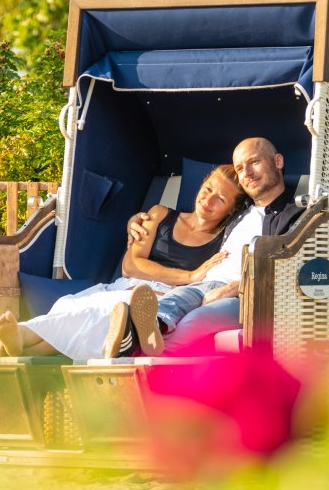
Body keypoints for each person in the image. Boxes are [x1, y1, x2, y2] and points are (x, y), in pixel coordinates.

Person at [0, 165, 247, 362]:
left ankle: (25, 337)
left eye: (221, 199)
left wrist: (183, 281)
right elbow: (131, 265)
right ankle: (24, 340)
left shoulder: (224, 241)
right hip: (129, 284)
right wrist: (190, 275)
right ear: (202, 184)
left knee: (109, 315)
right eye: (208, 189)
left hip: (163, 298)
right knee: (82, 307)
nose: (209, 200)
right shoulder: (160, 214)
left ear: (230, 210)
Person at [109, 137, 305, 356]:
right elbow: (195, 218)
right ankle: (142, 335)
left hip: (247, 296)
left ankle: (133, 355)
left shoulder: (296, 216)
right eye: (240, 168)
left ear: (278, 161)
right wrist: (136, 220)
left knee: (195, 320)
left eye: (254, 162)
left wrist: (236, 287)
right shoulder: (237, 214)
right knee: (169, 303)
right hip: (206, 284)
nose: (247, 172)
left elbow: (293, 271)